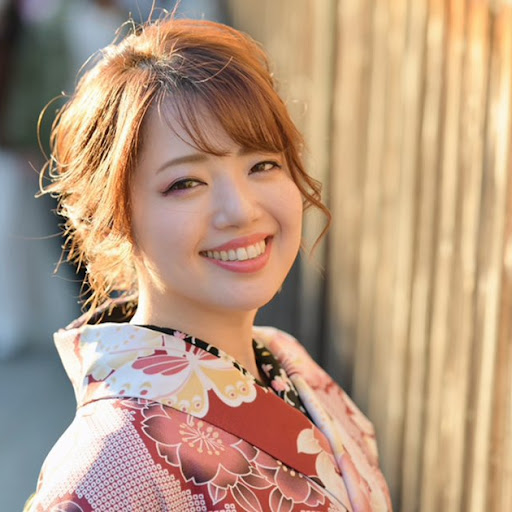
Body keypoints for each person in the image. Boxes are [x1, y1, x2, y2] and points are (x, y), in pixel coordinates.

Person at [25, 15, 392, 512]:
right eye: (185, 183)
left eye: (263, 164)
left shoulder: (290, 365)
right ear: (113, 219)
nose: (240, 210)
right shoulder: (109, 465)